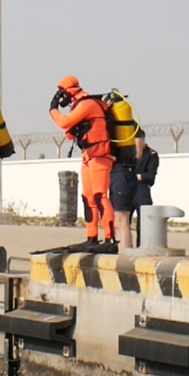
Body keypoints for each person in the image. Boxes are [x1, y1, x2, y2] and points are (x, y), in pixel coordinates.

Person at [50, 75, 116, 252]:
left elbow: (64, 123)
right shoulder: (78, 106)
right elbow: (69, 134)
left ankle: (110, 239)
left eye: (62, 93)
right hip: (88, 156)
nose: (61, 97)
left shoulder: (87, 104)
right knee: (88, 198)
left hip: (100, 156)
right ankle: (92, 237)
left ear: (70, 91)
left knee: (99, 196)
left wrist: (53, 109)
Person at [132, 128, 158, 240]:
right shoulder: (128, 153)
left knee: (144, 222)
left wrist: (138, 176)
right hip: (128, 188)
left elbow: (150, 175)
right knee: (122, 219)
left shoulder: (151, 154)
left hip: (142, 189)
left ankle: (142, 245)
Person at [110, 158, 137, 250]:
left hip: (124, 172)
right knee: (116, 221)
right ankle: (119, 250)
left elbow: (137, 153)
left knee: (122, 218)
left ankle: (126, 252)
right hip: (113, 172)